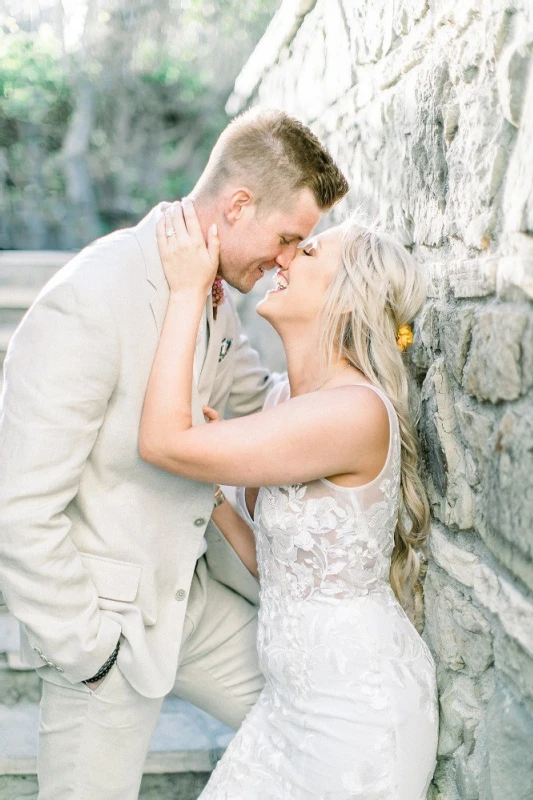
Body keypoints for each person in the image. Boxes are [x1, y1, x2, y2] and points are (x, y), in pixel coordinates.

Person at [0, 109, 348, 799]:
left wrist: (356, 376)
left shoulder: (215, 294)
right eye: (286, 239)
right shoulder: (90, 298)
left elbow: (261, 401)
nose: (286, 261)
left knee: (323, 726)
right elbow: (17, 506)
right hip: (107, 624)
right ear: (238, 204)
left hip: (196, 602)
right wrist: (88, 650)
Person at [138, 199, 439, 799]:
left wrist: (186, 293)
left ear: (346, 299)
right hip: (286, 712)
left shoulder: (353, 412)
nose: (284, 256)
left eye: (307, 251)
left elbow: (163, 441)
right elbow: (279, 568)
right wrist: (221, 498)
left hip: (356, 717)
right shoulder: (285, 404)